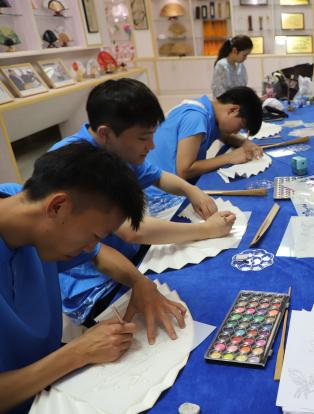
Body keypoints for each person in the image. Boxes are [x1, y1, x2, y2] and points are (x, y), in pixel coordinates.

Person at [0, 143, 187, 413]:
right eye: (94, 235)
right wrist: (77, 353)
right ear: (58, 207)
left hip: (50, 383)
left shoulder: (23, 202)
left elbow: (98, 254)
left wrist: (139, 282)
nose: (90, 246)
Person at [49, 78, 236, 327]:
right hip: (96, 283)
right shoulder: (75, 163)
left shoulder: (115, 149)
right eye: (143, 138)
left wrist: (191, 190)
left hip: (130, 258)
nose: (151, 146)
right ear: (105, 134)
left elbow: (156, 175)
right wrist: (206, 230)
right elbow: (131, 230)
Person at [146, 86, 263, 181]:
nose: (237, 132)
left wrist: (245, 142)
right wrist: (230, 157)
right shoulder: (196, 117)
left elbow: (225, 137)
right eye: (240, 126)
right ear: (233, 110)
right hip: (161, 193)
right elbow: (184, 170)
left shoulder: (209, 111)